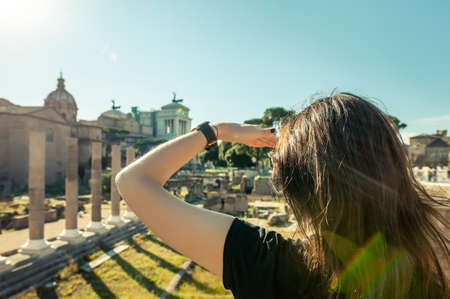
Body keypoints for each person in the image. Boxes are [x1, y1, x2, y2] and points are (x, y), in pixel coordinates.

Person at [116, 93, 449, 299]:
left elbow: (133, 182)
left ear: (295, 185)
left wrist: (218, 131)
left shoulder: (271, 263)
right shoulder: (428, 261)